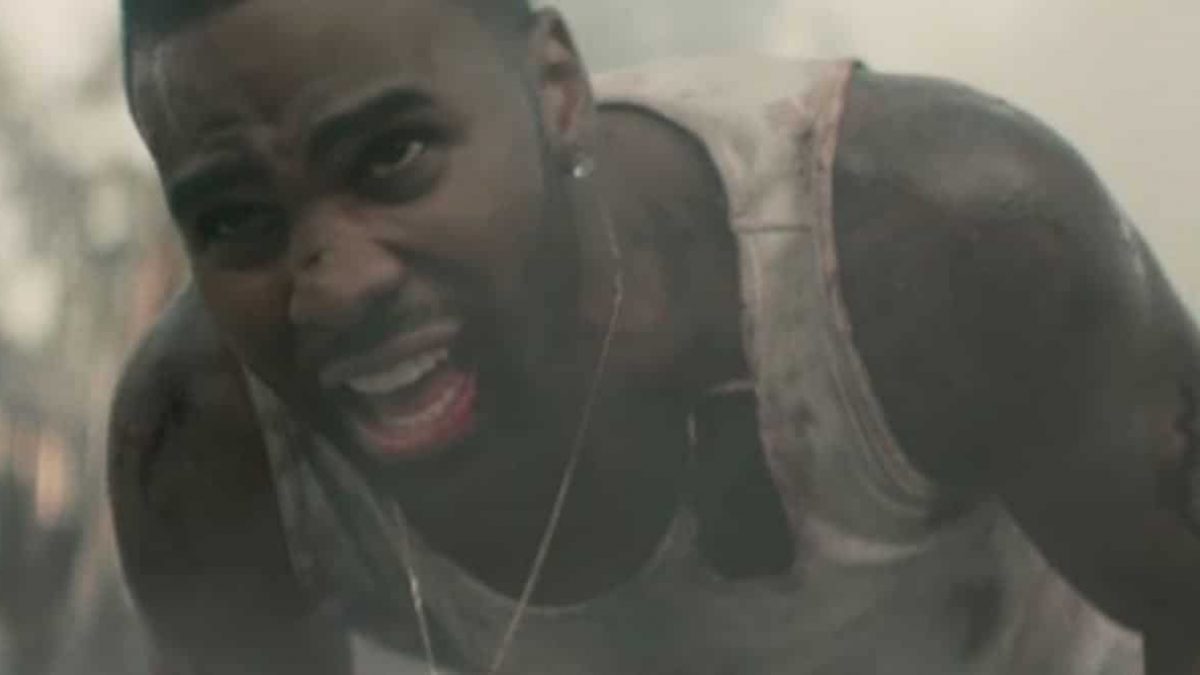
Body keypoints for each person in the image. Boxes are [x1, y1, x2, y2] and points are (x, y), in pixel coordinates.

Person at [106, 0, 1200, 672]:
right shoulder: (207, 450)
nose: (336, 287)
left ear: (556, 90)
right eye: (234, 218)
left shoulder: (939, 243)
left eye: (392, 158)